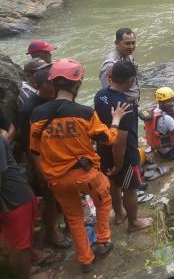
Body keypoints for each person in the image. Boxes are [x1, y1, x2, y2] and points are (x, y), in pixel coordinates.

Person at [29, 58, 131, 272]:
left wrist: (45, 176)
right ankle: (103, 241)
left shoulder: (37, 115)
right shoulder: (84, 113)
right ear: (77, 84)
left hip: (57, 178)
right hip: (86, 174)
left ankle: (85, 260)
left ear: (54, 83)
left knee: (74, 217)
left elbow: (35, 150)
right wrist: (116, 119)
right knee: (103, 201)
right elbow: (108, 138)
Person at [17, 66, 73, 249]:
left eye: (55, 83)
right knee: (49, 197)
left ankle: (70, 221)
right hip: (43, 159)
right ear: (39, 85)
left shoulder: (56, 100)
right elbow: (29, 145)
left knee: (68, 191)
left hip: (61, 154)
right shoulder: (29, 109)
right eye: (49, 84)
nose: (54, 88)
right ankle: (51, 233)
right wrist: (40, 171)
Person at [94, 61, 152, 233]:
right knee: (131, 187)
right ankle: (133, 222)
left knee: (113, 182)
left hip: (103, 148)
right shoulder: (125, 106)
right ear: (131, 79)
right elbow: (120, 141)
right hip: (125, 154)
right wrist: (119, 164)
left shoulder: (100, 95)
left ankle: (119, 213)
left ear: (111, 76)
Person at [0, 136, 53, 279]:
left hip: (14, 200)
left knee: (21, 243)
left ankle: (29, 262)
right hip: (12, 203)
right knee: (19, 246)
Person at [99, 28, 140, 103]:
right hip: (122, 107)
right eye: (127, 43)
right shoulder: (110, 65)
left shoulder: (128, 56)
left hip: (132, 103)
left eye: (133, 43)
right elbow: (107, 92)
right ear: (117, 43)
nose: (131, 47)